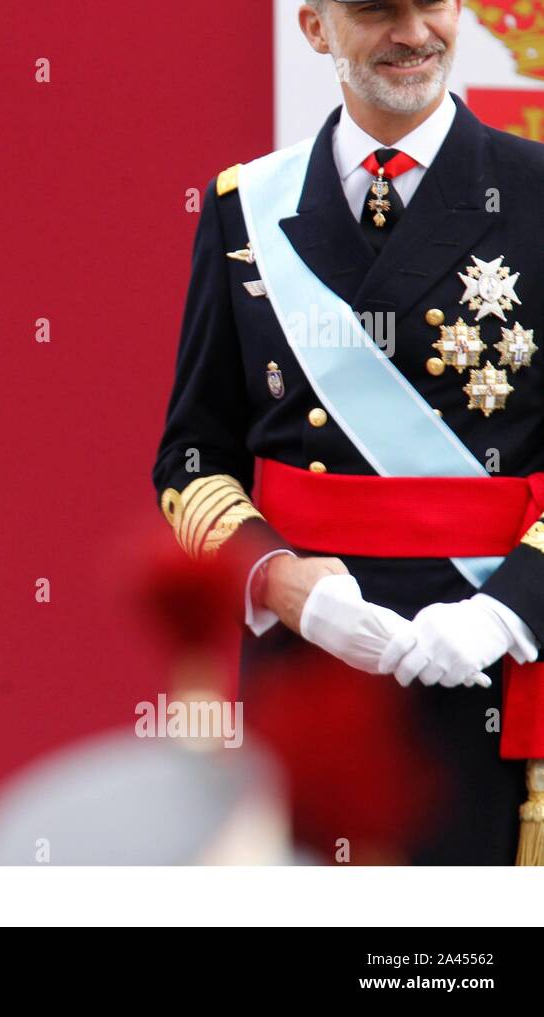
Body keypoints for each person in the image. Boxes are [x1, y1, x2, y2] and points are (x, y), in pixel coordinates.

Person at [151, 0, 544, 863]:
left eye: (431, 4)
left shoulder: (535, 192)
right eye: (375, 10)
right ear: (316, 29)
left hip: (498, 667)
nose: (411, 32)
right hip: (312, 672)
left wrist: (509, 612)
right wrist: (282, 583)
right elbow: (190, 459)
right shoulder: (243, 208)